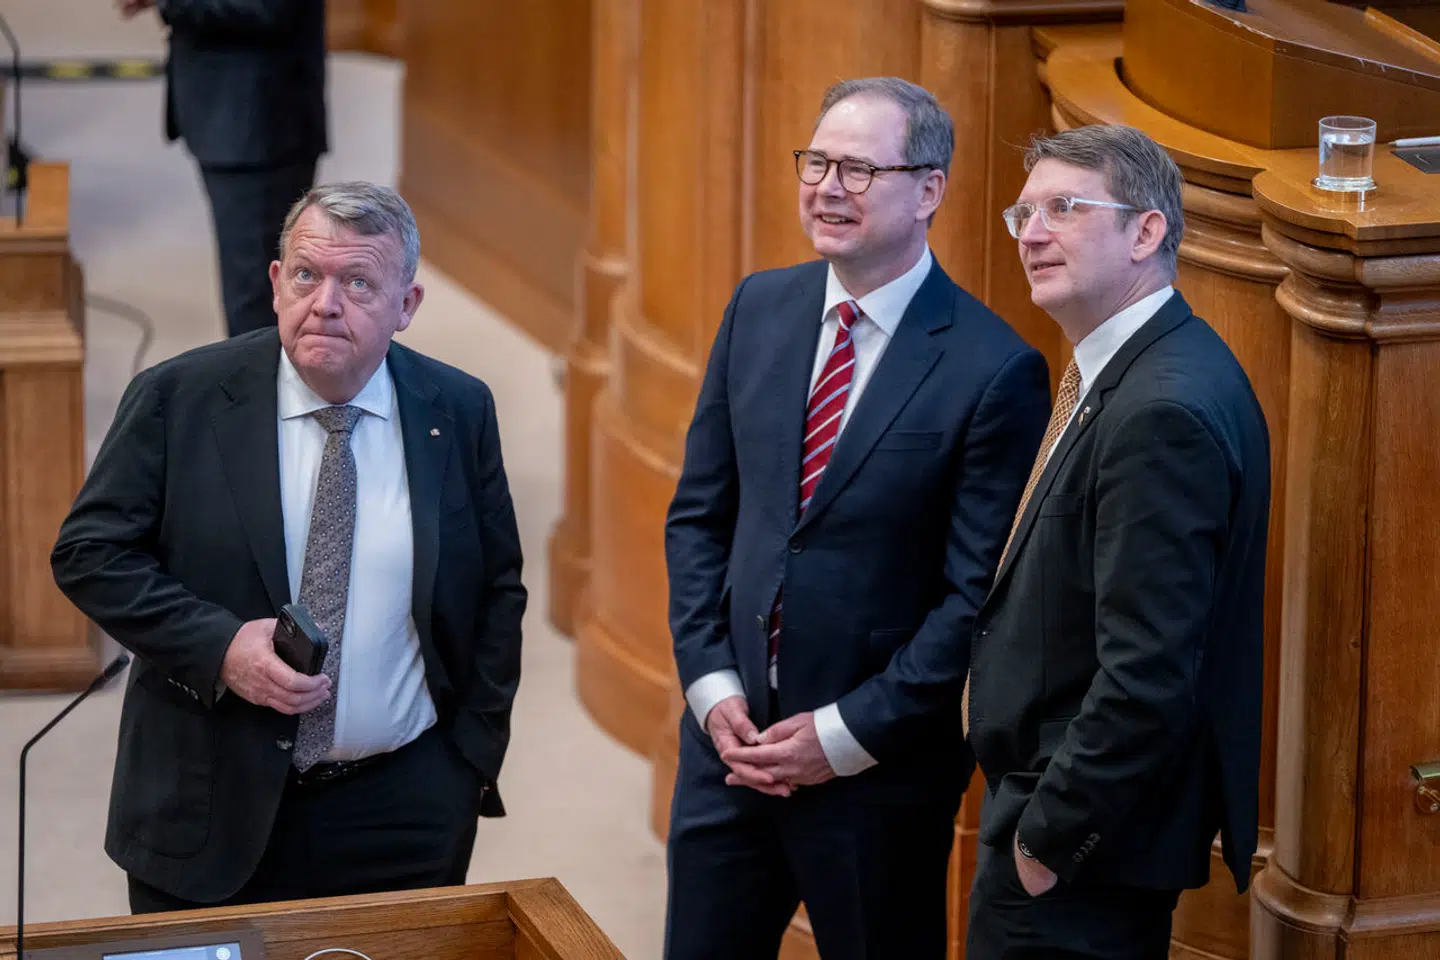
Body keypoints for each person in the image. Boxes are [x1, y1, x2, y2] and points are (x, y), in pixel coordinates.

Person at [52, 182, 526, 912]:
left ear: (407, 307)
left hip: (403, 812)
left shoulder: (457, 410)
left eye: (359, 282)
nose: (326, 303)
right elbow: (90, 553)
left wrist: (465, 764)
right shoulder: (179, 399)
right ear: (277, 284)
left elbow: (497, 587)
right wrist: (219, 648)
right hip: (207, 802)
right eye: (307, 274)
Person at [663, 77, 1050, 959]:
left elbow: (971, 602)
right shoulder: (758, 306)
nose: (828, 186)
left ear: (930, 191)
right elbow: (700, 518)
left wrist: (839, 739)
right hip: (728, 749)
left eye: (859, 168)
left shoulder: (996, 370)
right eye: (819, 161)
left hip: (874, 778)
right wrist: (711, 686)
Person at [962, 125, 1270, 958]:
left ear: (1146, 231)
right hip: (1069, 828)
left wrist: (1046, 843)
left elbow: (1148, 673)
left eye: (1063, 208)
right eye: (1023, 212)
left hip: (1080, 855)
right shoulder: (1143, 368)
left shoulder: (1160, 410)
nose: (1031, 232)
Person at [119, 0, 326, 337]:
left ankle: (257, 389)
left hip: (256, 122)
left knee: (258, 297)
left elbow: (265, 9)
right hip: (235, 115)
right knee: (255, 287)